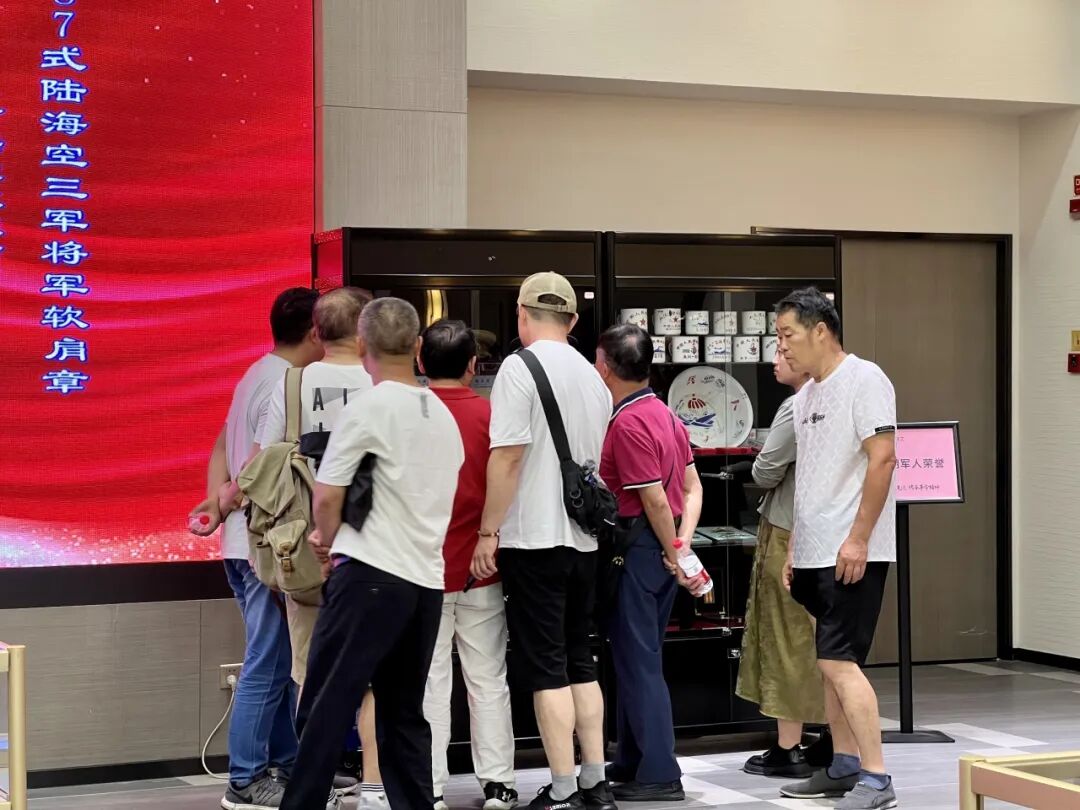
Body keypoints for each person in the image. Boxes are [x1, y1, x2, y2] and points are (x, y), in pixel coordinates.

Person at [280, 297, 464, 810]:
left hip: (369, 575)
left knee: (325, 704)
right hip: (425, 583)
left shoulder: (367, 407)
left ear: (362, 344)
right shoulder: (442, 416)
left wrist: (326, 541)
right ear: (418, 346)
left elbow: (327, 495)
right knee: (404, 715)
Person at [471, 272, 615, 810]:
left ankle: (561, 787)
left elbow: (508, 456)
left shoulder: (519, 367)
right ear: (572, 320)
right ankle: (595, 782)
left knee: (547, 666)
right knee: (581, 658)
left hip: (533, 538)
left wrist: (489, 530)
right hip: (584, 540)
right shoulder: (592, 376)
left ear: (521, 313)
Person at [188, 287, 325, 810]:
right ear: (315, 331)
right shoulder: (284, 383)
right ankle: (244, 779)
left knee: (282, 658)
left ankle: (287, 766)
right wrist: (225, 501)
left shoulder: (257, 373)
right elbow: (257, 466)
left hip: (245, 543)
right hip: (264, 547)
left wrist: (216, 502)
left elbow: (221, 446)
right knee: (268, 662)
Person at [255, 286, 385, 808]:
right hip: (372, 544)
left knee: (309, 671)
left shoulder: (291, 384)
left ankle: (318, 786)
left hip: (302, 547)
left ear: (316, 331)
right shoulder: (384, 385)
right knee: (375, 673)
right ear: (365, 332)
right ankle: (374, 785)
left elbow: (263, 465)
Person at [774, 287, 898, 810]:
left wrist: (859, 538)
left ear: (820, 330)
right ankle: (844, 765)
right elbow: (809, 479)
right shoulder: (805, 396)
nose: (782, 347)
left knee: (840, 662)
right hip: (814, 551)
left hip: (852, 551)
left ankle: (877, 779)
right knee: (828, 665)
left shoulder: (865, 379)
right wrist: (793, 549)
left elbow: (883, 459)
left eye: (788, 335)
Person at [593, 324, 705, 803]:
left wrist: (673, 548)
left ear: (605, 367)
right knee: (638, 656)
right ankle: (633, 759)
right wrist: (680, 544)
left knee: (638, 662)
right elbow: (693, 487)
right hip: (660, 546)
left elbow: (654, 498)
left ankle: (660, 772)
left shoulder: (628, 423)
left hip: (637, 549)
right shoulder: (666, 414)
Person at [418, 320, 518, 810]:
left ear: (420, 360)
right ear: (473, 365)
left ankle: (431, 787)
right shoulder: (491, 414)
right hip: (483, 564)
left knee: (431, 681)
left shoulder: (411, 414)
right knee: (487, 677)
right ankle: (498, 782)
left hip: (424, 567)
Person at [736, 349, 830, 778]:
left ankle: (788, 746)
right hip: (829, 534)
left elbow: (765, 471)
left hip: (789, 531)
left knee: (786, 635)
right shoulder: (836, 399)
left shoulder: (796, 407)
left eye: (785, 347)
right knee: (822, 638)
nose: (777, 357)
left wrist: (758, 459)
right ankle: (832, 737)